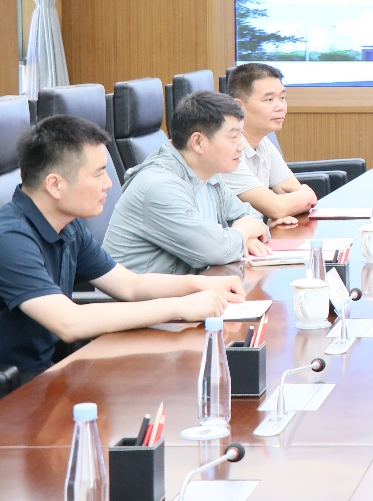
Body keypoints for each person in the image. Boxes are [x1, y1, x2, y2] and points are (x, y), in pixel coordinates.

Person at [0, 116, 243, 384]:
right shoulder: (10, 238)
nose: (108, 183)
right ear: (55, 185)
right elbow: (69, 322)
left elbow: (130, 285)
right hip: (14, 390)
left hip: (47, 374)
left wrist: (199, 285)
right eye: (98, 174)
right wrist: (180, 307)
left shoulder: (68, 225)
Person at [104, 91, 278, 275]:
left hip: (194, 287)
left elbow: (250, 216)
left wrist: (247, 239)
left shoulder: (209, 174)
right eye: (233, 137)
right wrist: (243, 233)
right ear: (198, 142)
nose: (241, 146)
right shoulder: (160, 186)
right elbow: (214, 251)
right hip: (147, 293)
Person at [222, 63, 318, 220]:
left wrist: (303, 198)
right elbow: (278, 207)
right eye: (269, 99)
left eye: (282, 98)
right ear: (238, 106)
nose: (280, 107)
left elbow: (298, 197)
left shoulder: (263, 142)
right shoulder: (226, 150)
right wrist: (307, 194)